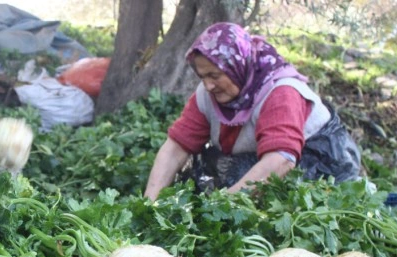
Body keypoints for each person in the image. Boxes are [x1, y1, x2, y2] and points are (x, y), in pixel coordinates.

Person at [144, 22, 360, 200]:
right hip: (260, 158)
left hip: (320, 164)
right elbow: (175, 148)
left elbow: (281, 159)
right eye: (202, 76)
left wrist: (225, 204)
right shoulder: (207, 94)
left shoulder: (280, 92)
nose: (208, 85)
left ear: (237, 67)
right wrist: (149, 203)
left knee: (240, 179)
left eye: (215, 75)